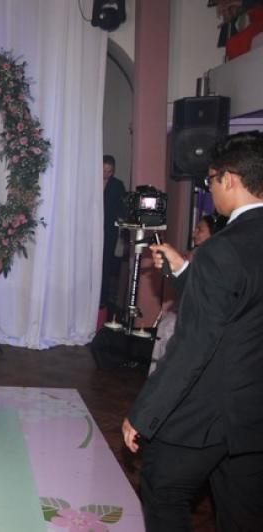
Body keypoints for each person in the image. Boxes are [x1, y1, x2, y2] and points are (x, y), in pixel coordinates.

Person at [123, 131, 263, 531]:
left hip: (209, 412)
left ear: (229, 180)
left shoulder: (223, 248)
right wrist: (186, 270)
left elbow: (194, 344)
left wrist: (144, 414)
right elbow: (243, 304)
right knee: (244, 514)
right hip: (254, 414)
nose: (210, 189)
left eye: (210, 180)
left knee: (163, 491)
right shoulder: (230, 251)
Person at [147, 213, 227, 375]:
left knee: (170, 328)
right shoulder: (192, 253)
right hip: (187, 308)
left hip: (202, 316)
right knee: (166, 326)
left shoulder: (217, 257)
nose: (194, 233)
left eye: (200, 230)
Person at [101, 155, 126, 316]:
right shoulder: (90, 182)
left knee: (105, 265)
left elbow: (122, 208)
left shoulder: (117, 185)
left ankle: (102, 299)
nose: (106, 174)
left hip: (109, 232)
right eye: (103, 170)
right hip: (89, 230)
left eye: (109, 171)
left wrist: (122, 221)